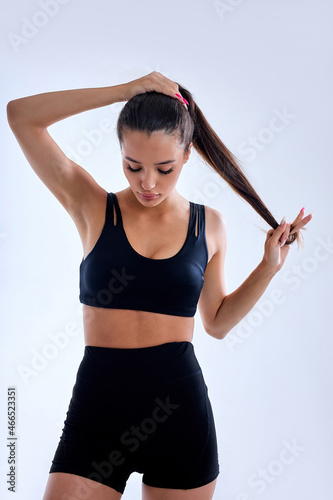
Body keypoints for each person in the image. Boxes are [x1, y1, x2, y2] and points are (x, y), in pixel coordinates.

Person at [7, 71, 312, 500]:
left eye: (163, 168)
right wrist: (120, 92)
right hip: (97, 412)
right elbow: (20, 116)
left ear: (187, 155)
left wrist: (268, 267)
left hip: (180, 414)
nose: (147, 183)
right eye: (133, 166)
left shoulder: (210, 226)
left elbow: (218, 323)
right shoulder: (93, 207)